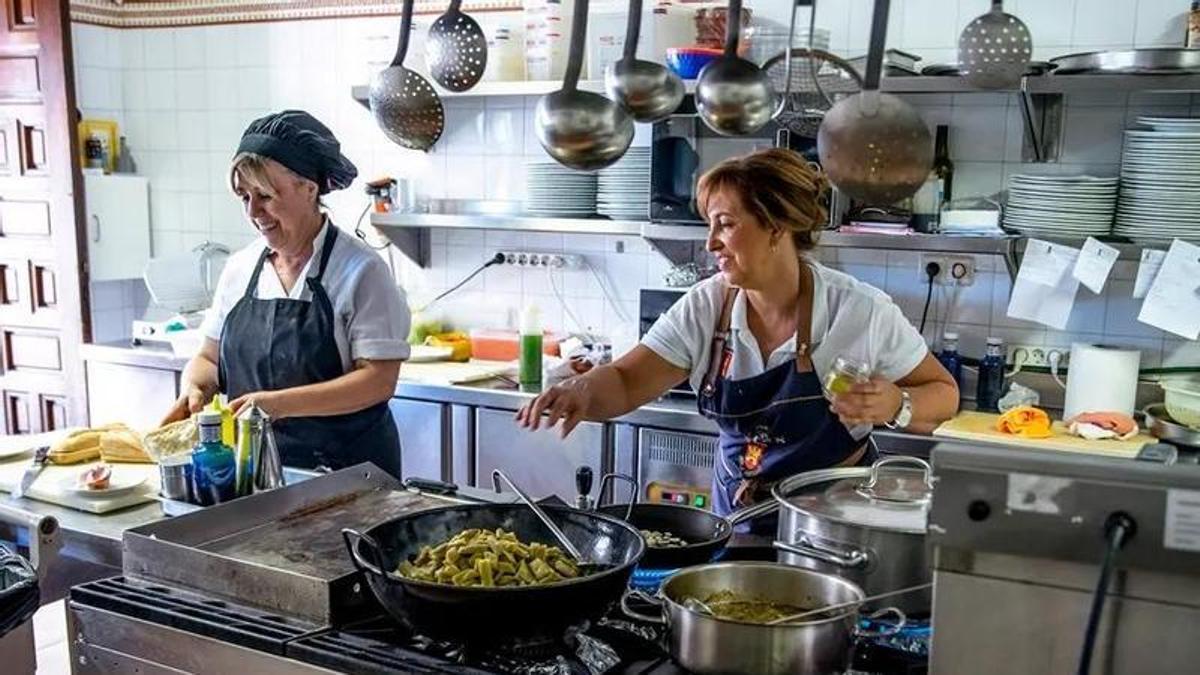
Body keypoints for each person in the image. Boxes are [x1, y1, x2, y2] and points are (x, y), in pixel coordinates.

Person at [516, 148, 958, 527]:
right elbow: (629, 381)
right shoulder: (707, 306)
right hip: (735, 516)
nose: (711, 243)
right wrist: (581, 389)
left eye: (725, 224)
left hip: (832, 526)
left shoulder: (859, 311)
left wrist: (895, 404)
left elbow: (944, 394)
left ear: (776, 228)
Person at [162, 110, 411, 478]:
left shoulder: (361, 271)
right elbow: (208, 357)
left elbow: (377, 380)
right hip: (254, 471)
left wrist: (276, 405)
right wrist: (194, 387)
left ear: (309, 189)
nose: (252, 211)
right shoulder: (240, 268)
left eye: (265, 195)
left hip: (348, 476)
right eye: (244, 196)